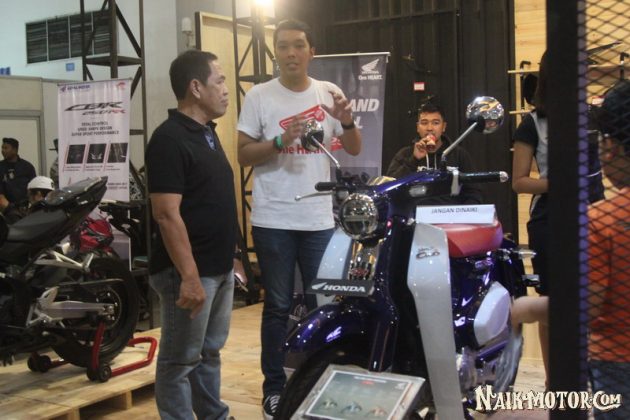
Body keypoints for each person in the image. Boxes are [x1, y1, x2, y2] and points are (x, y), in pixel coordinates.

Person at [236, 18, 362, 419]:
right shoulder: (259, 96)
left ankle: (319, 382)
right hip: (272, 219)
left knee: (322, 303)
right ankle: (274, 389)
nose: (290, 53)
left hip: (318, 219)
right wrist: (280, 140)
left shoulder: (328, 92)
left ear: (311, 52)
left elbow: (354, 148)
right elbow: (242, 154)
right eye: (283, 46)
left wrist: (346, 120)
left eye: (298, 45)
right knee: (276, 305)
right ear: (276, 53)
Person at [145, 49, 237, 420]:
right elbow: (166, 214)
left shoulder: (208, 134)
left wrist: (231, 260)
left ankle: (214, 415)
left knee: (209, 353)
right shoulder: (168, 139)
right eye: (220, 80)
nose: (226, 89)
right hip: (187, 272)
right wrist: (189, 276)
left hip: (217, 268)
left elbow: (211, 202)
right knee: (178, 361)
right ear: (196, 88)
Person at [510, 51, 604, 384]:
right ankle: (556, 384)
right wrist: (558, 183)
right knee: (552, 302)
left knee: (594, 298)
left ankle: (590, 376)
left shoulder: (595, 117)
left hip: (595, 216)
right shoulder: (533, 123)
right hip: (550, 221)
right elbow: (519, 181)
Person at [588, 79, 630, 420]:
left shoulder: (601, 220)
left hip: (617, 363)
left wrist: (529, 308)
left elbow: (587, 306)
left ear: (610, 146)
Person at [385, 102, 482, 204]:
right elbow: (389, 187)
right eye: (424, 123)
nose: (430, 128)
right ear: (417, 127)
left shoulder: (459, 155)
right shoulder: (405, 154)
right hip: (414, 212)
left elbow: (474, 192)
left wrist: (464, 212)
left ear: (443, 127)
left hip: (449, 213)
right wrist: (414, 159)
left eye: (435, 123)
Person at [0, 137, 36, 211]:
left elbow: (34, 188)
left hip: (26, 208)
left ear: (15, 150)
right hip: (5, 209)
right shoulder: (1, 167)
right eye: (2, 148)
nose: (2, 150)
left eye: (6, 148)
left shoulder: (27, 167)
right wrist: (8, 209)